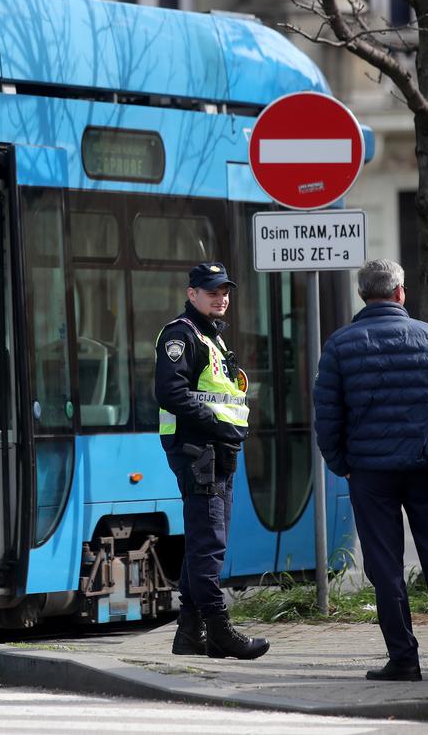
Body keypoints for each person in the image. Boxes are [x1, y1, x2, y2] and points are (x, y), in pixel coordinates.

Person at [313, 259, 428, 682]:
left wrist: (341, 464)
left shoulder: (340, 345)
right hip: (426, 468)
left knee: (385, 568)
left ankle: (404, 659)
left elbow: (327, 416)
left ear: (362, 294)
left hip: (370, 473)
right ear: (400, 292)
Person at [155, 261, 268, 660]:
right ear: (192, 294)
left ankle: (190, 633)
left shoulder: (211, 337)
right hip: (198, 449)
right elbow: (170, 393)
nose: (221, 298)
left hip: (218, 449)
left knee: (205, 541)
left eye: (224, 292)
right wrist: (216, 424)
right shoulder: (181, 334)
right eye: (212, 292)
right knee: (209, 544)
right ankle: (220, 630)